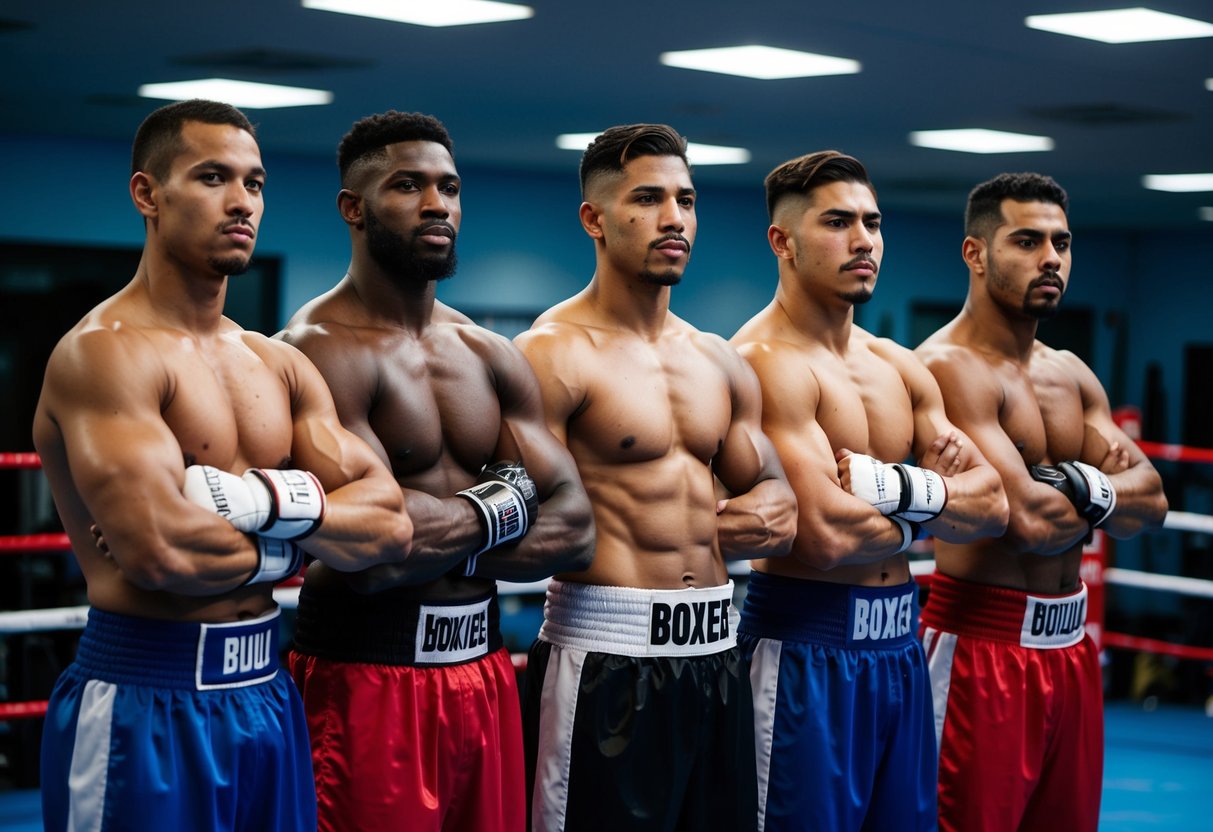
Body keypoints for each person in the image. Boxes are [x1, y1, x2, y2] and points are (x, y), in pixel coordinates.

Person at [32, 99, 416, 832]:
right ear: (147, 194)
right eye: (213, 177)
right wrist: (311, 538)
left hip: (268, 692)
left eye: (255, 183)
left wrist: (250, 505)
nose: (242, 201)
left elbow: (390, 526)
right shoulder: (104, 354)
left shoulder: (276, 363)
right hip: (146, 696)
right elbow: (163, 552)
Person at [278, 110, 595, 832]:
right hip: (365, 674)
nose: (436, 205)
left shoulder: (486, 352)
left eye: (448, 188)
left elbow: (576, 530)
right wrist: (506, 502)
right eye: (407, 186)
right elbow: (377, 556)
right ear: (353, 207)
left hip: (483, 668)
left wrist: (442, 529)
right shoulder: (313, 352)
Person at [514, 123, 797, 832]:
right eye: (647, 199)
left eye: (686, 200)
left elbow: (778, 502)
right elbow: (537, 518)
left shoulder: (716, 358)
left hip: (715, 654)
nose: (674, 218)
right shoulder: (550, 354)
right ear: (594, 219)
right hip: (606, 660)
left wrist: (754, 513)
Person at [729, 149, 1009, 831]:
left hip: (898, 649)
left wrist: (887, 488)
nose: (863, 240)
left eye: (872, 222)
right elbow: (824, 536)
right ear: (782, 242)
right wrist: (934, 499)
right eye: (837, 223)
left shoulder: (897, 364)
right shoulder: (762, 362)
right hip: (805, 650)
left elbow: (994, 506)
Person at [916, 172, 1169, 832]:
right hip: (981, 648)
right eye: (1027, 241)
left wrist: (1080, 486)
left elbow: (1152, 501)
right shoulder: (946, 368)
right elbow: (1025, 520)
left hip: (1072, 650)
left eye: (1061, 242)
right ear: (975, 253)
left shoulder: (1070, 373)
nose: (1050, 258)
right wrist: (1103, 493)